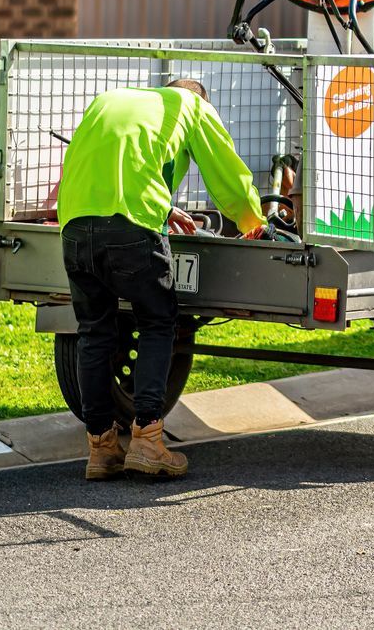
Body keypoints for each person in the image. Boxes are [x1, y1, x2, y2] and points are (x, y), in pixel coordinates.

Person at [57, 79, 263, 480]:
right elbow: (226, 174)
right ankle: (148, 441)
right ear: (199, 99)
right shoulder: (192, 106)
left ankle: (101, 449)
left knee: (95, 332)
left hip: (75, 227)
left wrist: (164, 207)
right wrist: (252, 220)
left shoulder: (112, 101)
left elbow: (118, 162)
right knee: (157, 322)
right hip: (131, 230)